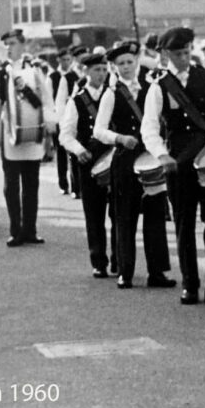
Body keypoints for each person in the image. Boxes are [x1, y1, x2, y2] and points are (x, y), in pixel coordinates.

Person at [142, 28, 205, 304]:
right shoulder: (159, 86)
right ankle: (190, 284)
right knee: (184, 223)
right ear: (166, 55)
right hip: (178, 161)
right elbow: (149, 127)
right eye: (178, 54)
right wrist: (161, 155)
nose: (184, 58)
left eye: (186, 52)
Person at [94, 41, 174, 289]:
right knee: (125, 216)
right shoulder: (111, 93)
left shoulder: (152, 87)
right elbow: (99, 130)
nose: (126, 67)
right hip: (125, 159)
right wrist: (118, 139)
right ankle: (125, 271)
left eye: (130, 62)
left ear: (136, 62)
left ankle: (157, 272)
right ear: (113, 67)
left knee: (155, 214)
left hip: (150, 155)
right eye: (121, 64)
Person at [0, 29, 57, 247]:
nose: (9, 47)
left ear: (22, 45)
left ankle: (30, 230)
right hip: (10, 133)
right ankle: (15, 230)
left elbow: (46, 98)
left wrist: (50, 123)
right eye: (6, 44)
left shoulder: (36, 68)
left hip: (32, 131)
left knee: (31, 184)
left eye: (13, 43)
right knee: (11, 185)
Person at [59, 53, 117, 278]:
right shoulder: (77, 101)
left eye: (104, 70)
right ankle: (98, 261)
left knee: (117, 213)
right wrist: (78, 150)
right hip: (89, 161)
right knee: (94, 215)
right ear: (86, 72)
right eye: (96, 70)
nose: (101, 74)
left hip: (113, 160)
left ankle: (118, 259)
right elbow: (66, 135)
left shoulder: (113, 95)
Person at [50, 49, 81, 198]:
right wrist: (61, 123)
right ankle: (66, 184)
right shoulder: (64, 77)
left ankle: (79, 186)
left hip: (82, 121)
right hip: (64, 120)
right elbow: (58, 102)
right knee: (64, 155)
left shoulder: (88, 76)